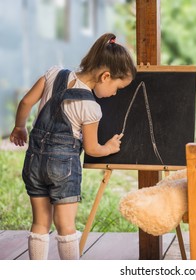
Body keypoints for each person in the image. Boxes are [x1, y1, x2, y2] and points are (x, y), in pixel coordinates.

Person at [9, 33, 136, 260]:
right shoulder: (90, 107)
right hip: (63, 169)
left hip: (34, 163)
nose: (116, 93)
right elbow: (92, 148)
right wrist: (109, 147)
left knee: (39, 223)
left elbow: (26, 102)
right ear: (106, 76)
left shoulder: (54, 74)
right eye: (118, 87)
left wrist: (20, 127)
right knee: (66, 227)